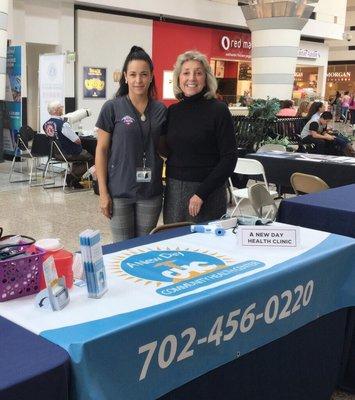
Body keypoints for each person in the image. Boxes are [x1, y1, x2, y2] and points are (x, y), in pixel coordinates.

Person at [95, 46, 166, 242]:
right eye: (133, 74)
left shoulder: (160, 110)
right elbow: (101, 150)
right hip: (119, 191)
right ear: (125, 76)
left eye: (143, 74)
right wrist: (103, 192)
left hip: (150, 192)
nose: (138, 80)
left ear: (151, 76)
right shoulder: (112, 107)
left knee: (144, 248)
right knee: (122, 249)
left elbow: (165, 147)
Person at [162, 50, 237, 223]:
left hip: (207, 191)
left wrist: (201, 193)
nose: (192, 78)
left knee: (204, 246)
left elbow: (229, 158)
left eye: (198, 73)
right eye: (186, 72)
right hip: (174, 189)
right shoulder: (173, 111)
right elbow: (167, 149)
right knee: (173, 244)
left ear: (206, 78)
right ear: (179, 78)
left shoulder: (218, 110)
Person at [43, 101, 93, 189]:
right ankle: (72, 177)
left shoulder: (46, 124)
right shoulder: (63, 125)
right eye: (60, 107)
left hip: (56, 154)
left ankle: (73, 180)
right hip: (68, 153)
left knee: (80, 159)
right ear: (56, 110)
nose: (62, 108)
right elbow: (77, 140)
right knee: (91, 158)